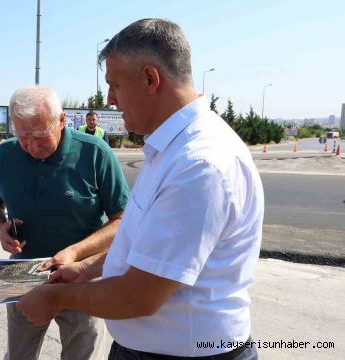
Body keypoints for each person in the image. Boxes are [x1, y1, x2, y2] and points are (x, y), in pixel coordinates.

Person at [17, 19, 263, 360]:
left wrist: (55, 298)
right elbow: (145, 243)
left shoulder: (200, 164)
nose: (110, 99)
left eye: (115, 85)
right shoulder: (171, 148)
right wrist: (88, 269)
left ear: (151, 78)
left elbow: (140, 296)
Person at [0, 85, 130, 360]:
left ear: (61, 121)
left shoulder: (95, 153)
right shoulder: (7, 154)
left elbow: (122, 220)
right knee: (18, 355)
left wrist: (76, 253)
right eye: (23, 137)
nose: (31, 147)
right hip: (23, 276)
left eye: (40, 136)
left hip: (81, 278)